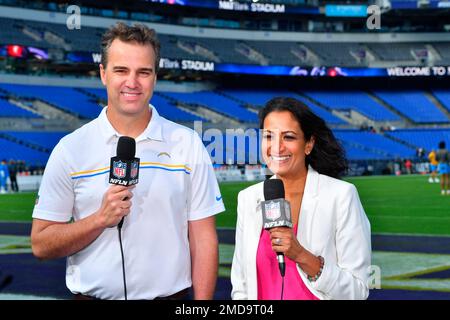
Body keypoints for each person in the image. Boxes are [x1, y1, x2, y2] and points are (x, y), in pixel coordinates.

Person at [31, 22, 224, 300]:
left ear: (155, 77)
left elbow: (204, 238)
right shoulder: (70, 149)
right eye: (121, 70)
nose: (132, 82)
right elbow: (41, 244)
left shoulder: (188, 143)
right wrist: (99, 219)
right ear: (103, 74)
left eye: (143, 72)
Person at [231, 97, 371, 300]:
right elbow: (241, 285)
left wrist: (301, 255)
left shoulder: (341, 195)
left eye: (288, 137)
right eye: (269, 136)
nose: (277, 148)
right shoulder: (248, 198)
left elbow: (357, 291)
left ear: (308, 144)